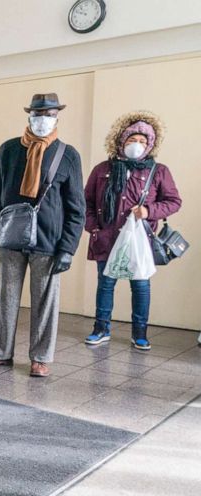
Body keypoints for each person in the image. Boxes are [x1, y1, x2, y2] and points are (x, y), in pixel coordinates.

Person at [0, 93, 85, 378]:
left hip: (49, 241)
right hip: (12, 235)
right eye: (38, 115)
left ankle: (40, 357)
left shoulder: (67, 154)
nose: (43, 120)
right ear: (29, 117)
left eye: (49, 115)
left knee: (45, 301)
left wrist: (68, 249)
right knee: (6, 297)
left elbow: (76, 208)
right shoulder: (9, 149)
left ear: (57, 117)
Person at [83, 111, 182, 350]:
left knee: (140, 285)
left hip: (140, 240)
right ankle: (101, 329)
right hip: (106, 237)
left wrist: (149, 211)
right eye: (131, 140)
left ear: (150, 144)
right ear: (120, 141)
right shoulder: (102, 168)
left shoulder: (159, 171)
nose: (137, 145)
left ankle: (140, 333)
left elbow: (174, 201)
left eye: (142, 141)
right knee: (105, 284)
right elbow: (85, 202)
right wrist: (93, 228)